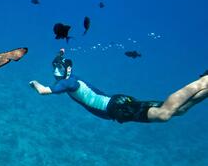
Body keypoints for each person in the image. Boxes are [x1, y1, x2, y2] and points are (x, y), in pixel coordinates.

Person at [29, 49, 208, 123]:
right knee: (179, 111)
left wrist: (34, 83)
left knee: (164, 114)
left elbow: (44, 91)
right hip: (118, 103)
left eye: (57, 69)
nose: (55, 71)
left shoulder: (68, 82)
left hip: (116, 108)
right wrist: (60, 56)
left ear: (64, 71)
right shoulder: (69, 79)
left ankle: (203, 81)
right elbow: (60, 73)